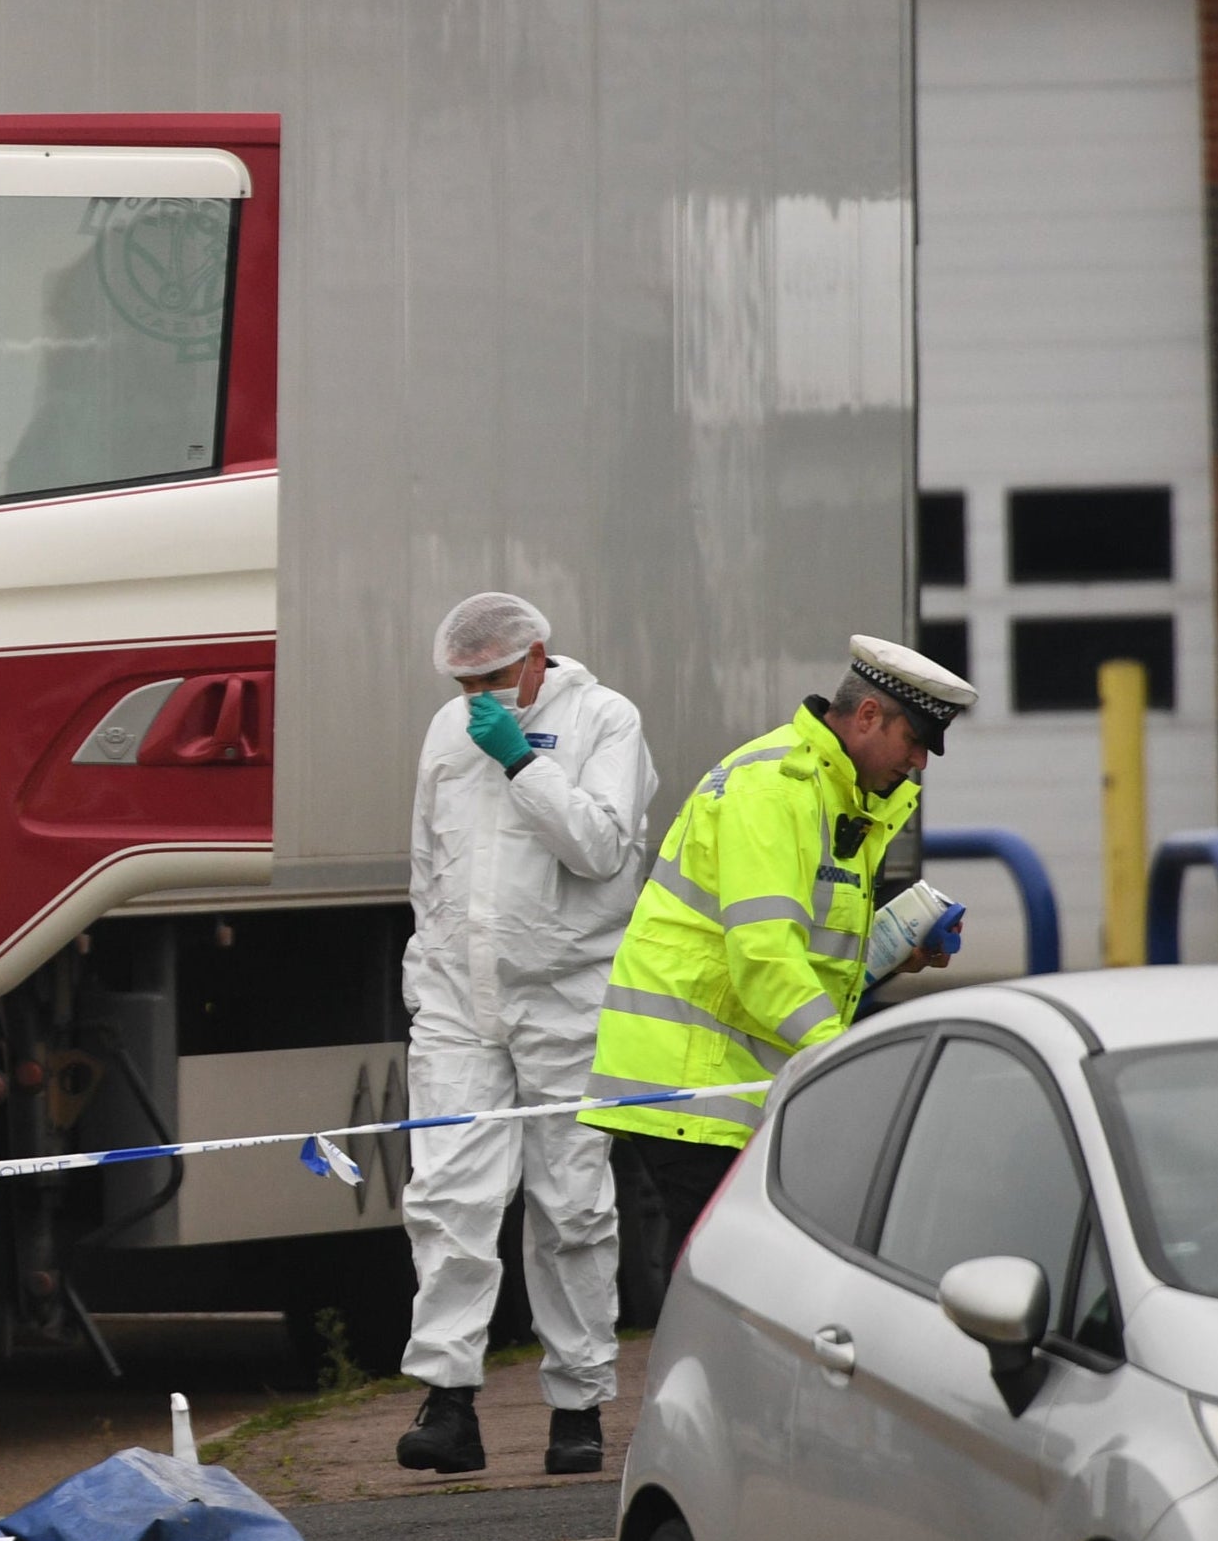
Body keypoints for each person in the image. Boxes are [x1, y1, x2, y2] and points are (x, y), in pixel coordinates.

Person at [583, 635, 976, 1261]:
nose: (922, 762)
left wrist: (895, 951)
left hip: (732, 1077)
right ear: (869, 716)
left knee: (753, 1285)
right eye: (917, 740)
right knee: (739, 1290)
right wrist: (846, 1059)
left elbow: (802, 946)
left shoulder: (838, 793)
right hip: (694, 1081)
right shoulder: (775, 790)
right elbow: (765, 958)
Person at [391, 593, 658, 1481]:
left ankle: (577, 1406)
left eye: (493, 678)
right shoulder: (443, 732)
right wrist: (427, 980)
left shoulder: (604, 719)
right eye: (465, 682)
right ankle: (448, 1399)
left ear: (537, 657)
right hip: (461, 1005)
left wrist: (522, 767)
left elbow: (599, 847)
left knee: (571, 1206)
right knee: (447, 1199)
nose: (479, 697)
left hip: (568, 1001)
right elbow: (428, 867)